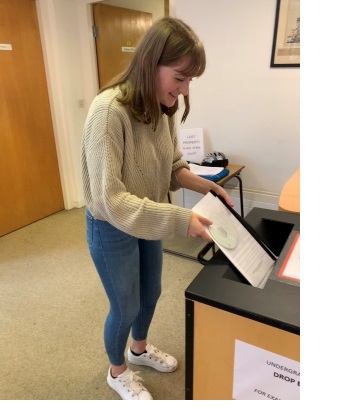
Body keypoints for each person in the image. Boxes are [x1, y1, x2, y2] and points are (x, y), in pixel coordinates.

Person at [81, 16, 234, 400]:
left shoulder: (162, 109)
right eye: (179, 78)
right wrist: (183, 219)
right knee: (125, 303)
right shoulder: (108, 113)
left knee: (150, 293)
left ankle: (139, 350)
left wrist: (209, 188)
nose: (183, 91)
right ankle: (117, 372)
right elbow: (109, 200)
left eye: (189, 82)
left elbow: (173, 166)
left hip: (148, 215)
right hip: (111, 224)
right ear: (151, 63)